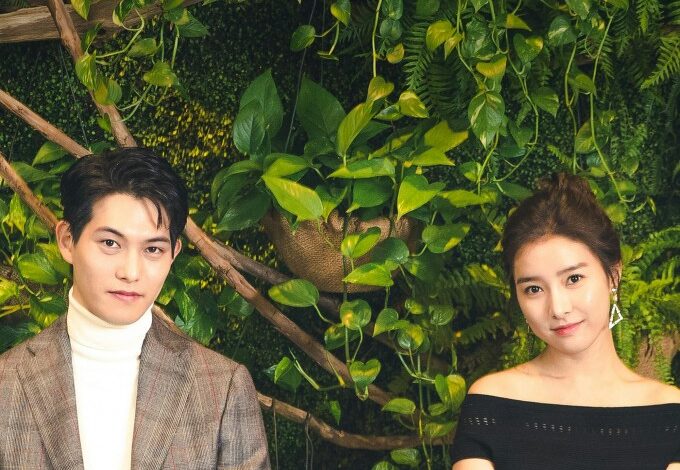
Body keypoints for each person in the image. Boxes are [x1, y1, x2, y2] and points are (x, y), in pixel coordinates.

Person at [0, 148, 271, 469]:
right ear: (67, 240)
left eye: (153, 249)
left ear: (174, 254)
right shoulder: (7, 383)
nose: (131, 272)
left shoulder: (222, 388)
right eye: (110, 243)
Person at [451, 173, 680, 470]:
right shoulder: (491, 403)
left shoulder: (669, 414)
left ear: (613, 275)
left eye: (573, 279)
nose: (558, 309)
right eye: (534, 289)